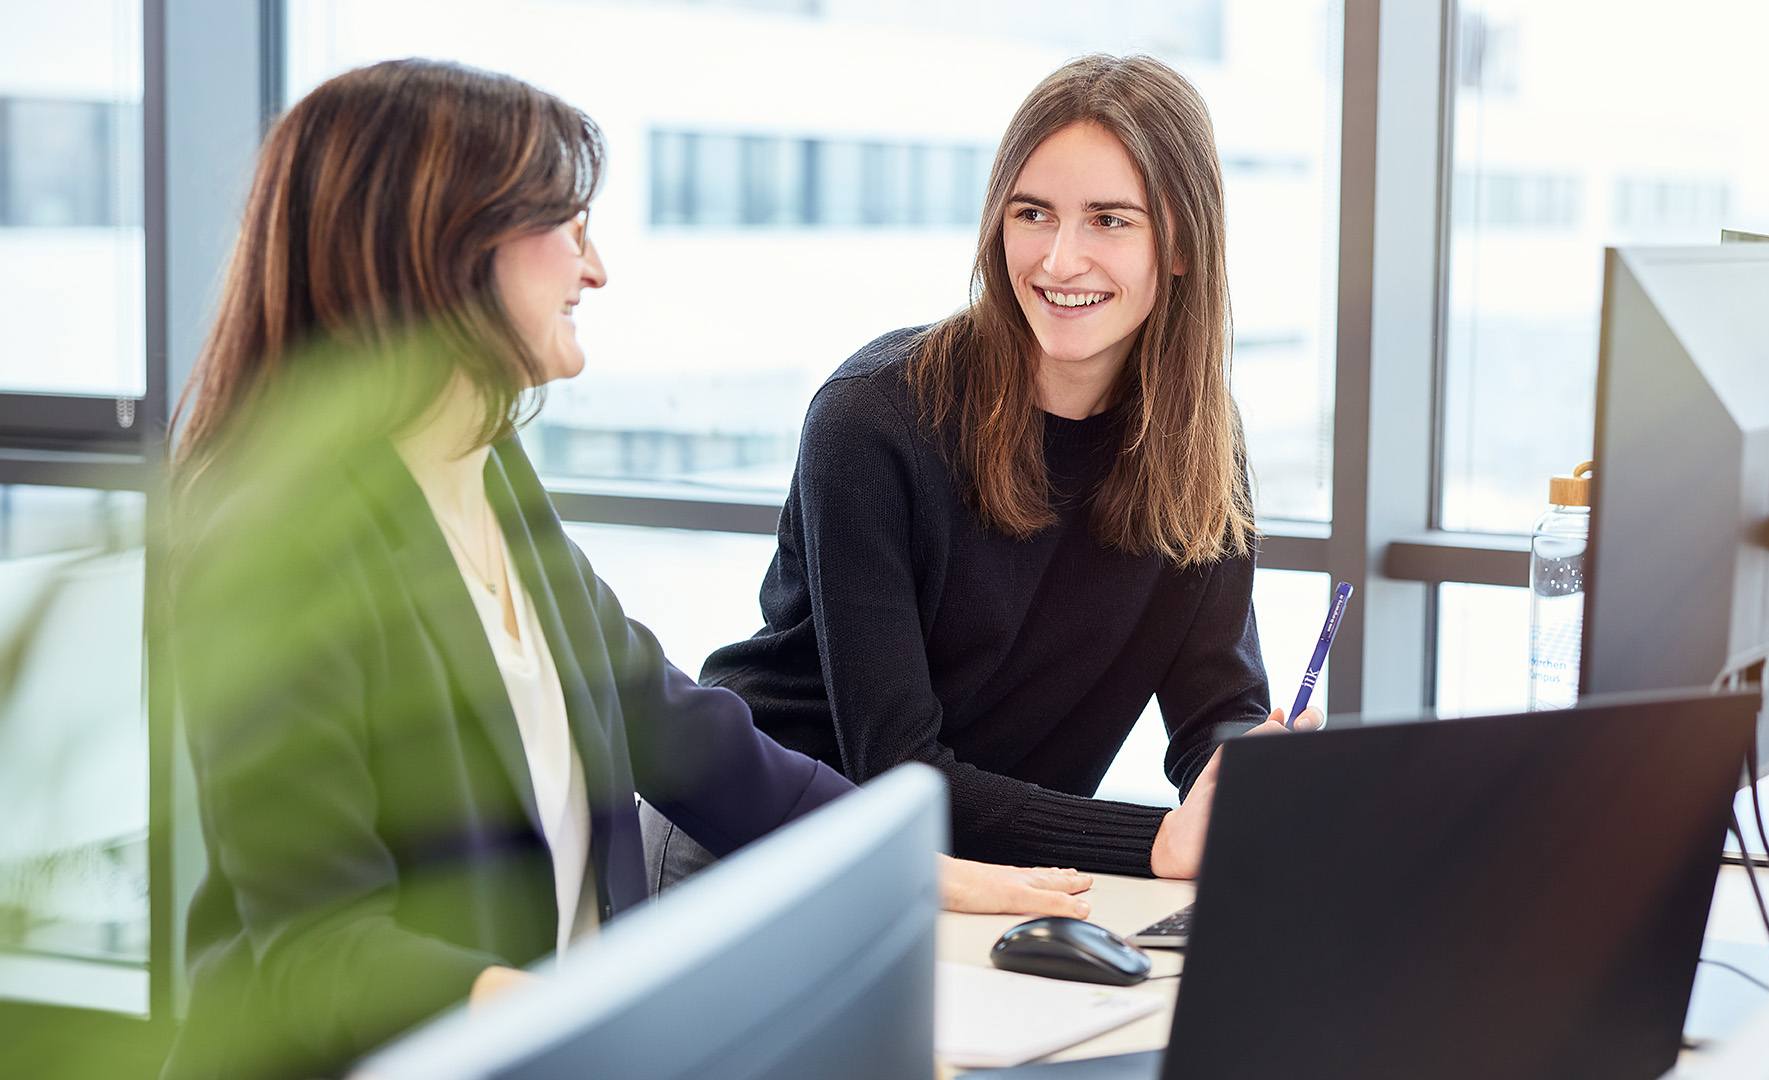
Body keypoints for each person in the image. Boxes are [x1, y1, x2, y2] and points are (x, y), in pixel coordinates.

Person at [160, 58, 1088, 1080]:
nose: (593, 270)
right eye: (569, 226)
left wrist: (911, 865)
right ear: (448, 249)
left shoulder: (482, 467)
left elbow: (669, 725)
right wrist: (609, 1019)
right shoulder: (277, 543)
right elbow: (319, 951)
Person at [686, 54, 1321, 889]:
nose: (1060, 261)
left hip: (995, 874)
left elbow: (1215, 708)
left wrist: (1244, 778)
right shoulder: (874, 419)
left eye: (1110, 220)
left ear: (1181, 247)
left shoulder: (1198, 441)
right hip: (765, 853)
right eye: (1033, 214)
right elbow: (900, 770)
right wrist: (1156, 844)